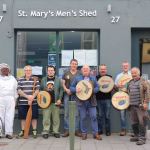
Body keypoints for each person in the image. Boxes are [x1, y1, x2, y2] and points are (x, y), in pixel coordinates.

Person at [70, 64, 102, 140]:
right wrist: (75, 90)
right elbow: (71, 87)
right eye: (84, 69)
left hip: (91, 101)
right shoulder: (77, 78)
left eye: (87, 69)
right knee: (83, 117)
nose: (85, 70)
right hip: (81, 101)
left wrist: (91, 91)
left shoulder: (93, 78)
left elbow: (98, 87)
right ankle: (84, 133)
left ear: (89, 71)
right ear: (81, 71)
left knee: (94, 117)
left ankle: (95, 133)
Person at [127, 67, 149, 145]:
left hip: (140, 106)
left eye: (135, 73)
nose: (133, 74)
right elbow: (128, 93)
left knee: (142, 122)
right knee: (134, 122)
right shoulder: (130, 82)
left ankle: (142, 138)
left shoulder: (143, 81)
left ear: (138, 73)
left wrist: (146, 102)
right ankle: (136, 136)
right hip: (132, 105)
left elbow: (147, 92)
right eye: (132, 73)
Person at [17, 65, 40, 138]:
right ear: (24, 71)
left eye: (29, 70)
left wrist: (32, 98)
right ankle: (23, 131)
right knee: (23, 117)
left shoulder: (35, 79)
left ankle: (34, 131)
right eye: (26, 70)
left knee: (34, 117)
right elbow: (19, 90)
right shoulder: (20, 79)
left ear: (31, 71)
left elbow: (37, 90)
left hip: (33, 102)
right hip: (23, 102)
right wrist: (28, 97)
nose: (28, 71)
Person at [41, 65, 63, 139]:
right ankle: (46, 131)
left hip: (55, 102)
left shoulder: (58, 79)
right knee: (46, 118)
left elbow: (61, 90)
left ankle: (55, 131)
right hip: (46, 102)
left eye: (52, 70)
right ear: (47, 71)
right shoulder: (43, 79)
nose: (50, 72)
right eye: (49, 70)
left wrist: (60, 99)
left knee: (56, 118)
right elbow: (40, 90)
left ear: (54, 71)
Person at [62, 59, 81, 137]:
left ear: (77, 65)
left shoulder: (80, 73)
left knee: (76, 114)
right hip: (67, 94)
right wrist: (66, 90)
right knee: (66, 113)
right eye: (73, 64)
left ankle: (76, 130)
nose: (74, 65)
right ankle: (67, 130)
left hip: (77, 95)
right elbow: (63, 83)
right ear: (70, 64)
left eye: (75, 64)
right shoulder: (66, 73)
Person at [0, 63, 18, 139]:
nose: (5, 71)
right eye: (3, 69)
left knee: (10, 116)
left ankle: (9, 133)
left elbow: (16, 90)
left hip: (11, 99)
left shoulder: (13, 79)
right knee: (0, 116)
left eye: (6, 69)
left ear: (9, 70)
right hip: (1, 98)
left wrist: (15, 99)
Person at [96, 64, 113, 136]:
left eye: (104, 69)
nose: (103, 70)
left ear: (106, 70)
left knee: (107, 116)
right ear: (99, 70)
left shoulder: (110, 77)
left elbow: (112, 87)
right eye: (101, 69)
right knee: (99, 116)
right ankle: (100, 130)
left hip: (107, 99)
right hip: (98, 99)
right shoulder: (96, 78)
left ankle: (108, 130)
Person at [115, 61, 131, 136]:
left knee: (132, 114)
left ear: (128, 66)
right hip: (122, 97)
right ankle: (123, 129)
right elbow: (114, 87)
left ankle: (134, 131)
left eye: (126, 66)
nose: (125, 67)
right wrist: (117, 86)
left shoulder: (132, 74)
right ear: (122, 67)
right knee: (122, 114)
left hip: (131, 97)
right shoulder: (119, 76)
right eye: (124, 66)